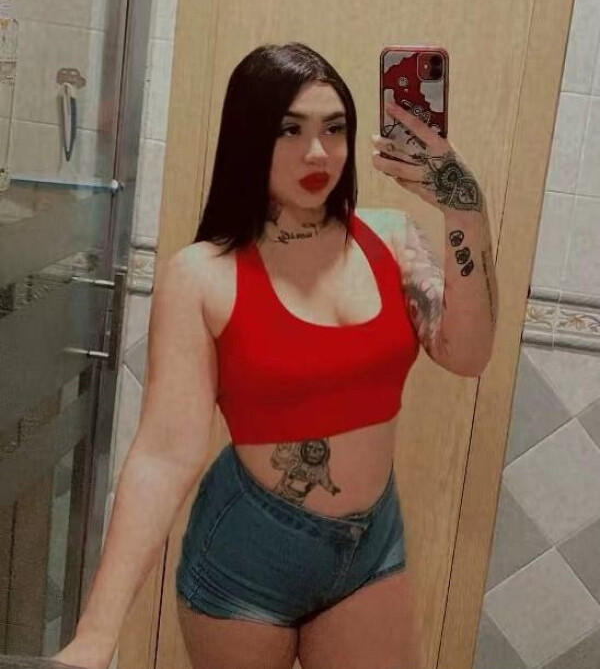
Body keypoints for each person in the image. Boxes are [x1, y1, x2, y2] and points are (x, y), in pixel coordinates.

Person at [53, 42, 498, 669]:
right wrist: (96, 638)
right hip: (249, 551)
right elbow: (163, 454)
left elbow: (468, 354)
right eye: (290, 130)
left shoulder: (393, 239)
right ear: (249, 137)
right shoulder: (202, 275)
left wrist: (464, 206)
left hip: (372, 545)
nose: (318, 152)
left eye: (334, 129)